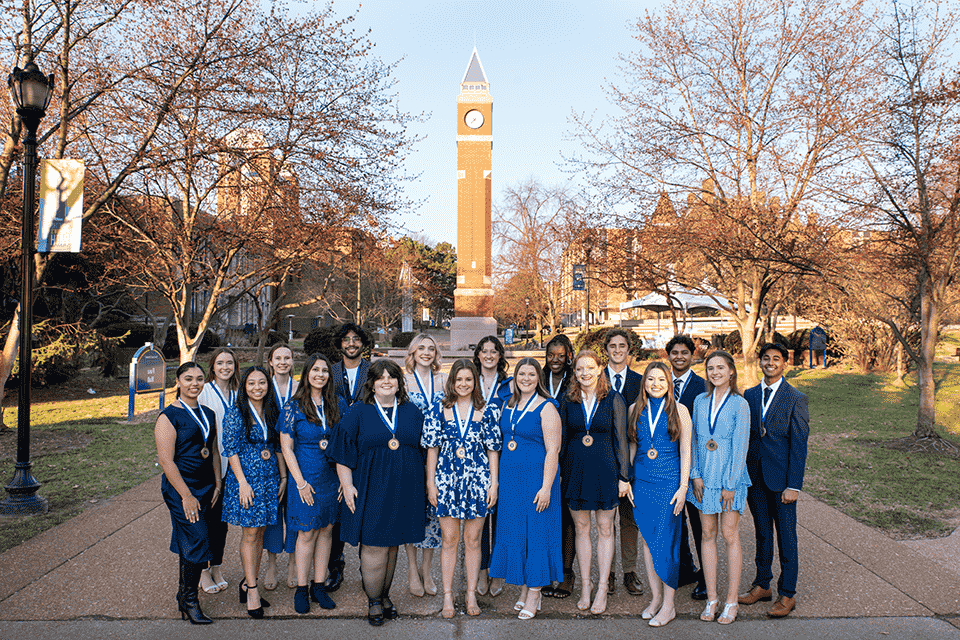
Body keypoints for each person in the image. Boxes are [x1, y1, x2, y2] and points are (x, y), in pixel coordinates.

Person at [331, 359, 427, 626]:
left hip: (404, 489)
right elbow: (342, 451)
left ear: (399, 382)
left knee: (392, 543)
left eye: (392, 377)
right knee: (374, 543)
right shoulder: (357, 412)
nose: (387, 381)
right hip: (370, 487)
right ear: (371, 384)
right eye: (381, 377)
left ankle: (384, 596)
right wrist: (347, 485)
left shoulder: (412, 412)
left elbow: (424, 449)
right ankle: (373, 600)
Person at [423, 359, 501, 618]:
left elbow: (492, 449)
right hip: (447, 479)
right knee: (449, 540)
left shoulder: (487, 410)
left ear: (475, 382)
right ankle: (448, 596)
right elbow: (432, 449)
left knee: (473, 540)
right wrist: (431, 482)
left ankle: (470, 594)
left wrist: (494, 482)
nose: (464, 384)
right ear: (452, 382)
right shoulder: (439, 409)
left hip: (478, 481)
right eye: (459, 380)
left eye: (469, 379)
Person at [739, 342, 809, 618]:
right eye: (766, 358)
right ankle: (762, 584)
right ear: (760, 362)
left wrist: (794, 485)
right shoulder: (750, 394)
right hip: (755, 477)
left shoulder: (795, 397)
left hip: (782, 482)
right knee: (762, 533)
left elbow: (799, 444)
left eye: (776, 359)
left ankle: (788, 593)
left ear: (784, 363)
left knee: (787, 536)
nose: (770, 363)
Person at [490, 358, 563, 620]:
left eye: (532, 374)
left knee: (538, 535)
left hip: (537, 481)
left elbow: (553, 450)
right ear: (515, 376)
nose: (526, 378)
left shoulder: (547, 407)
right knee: (519, 534)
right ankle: (524, 589)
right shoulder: (509, 404)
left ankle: (535, 593)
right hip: (511, 482)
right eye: (522, 373)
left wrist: (546, 488)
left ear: (538, 378)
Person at [558, 349, 631, 614]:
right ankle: (586, 585)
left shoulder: (613, 399)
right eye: (579, 369)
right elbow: (563, 440)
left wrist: (624, 477)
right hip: (576, 470)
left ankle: (602, 587)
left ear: (600, 369)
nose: (585, 373)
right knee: (581, 529)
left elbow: (621, 440)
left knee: (605, 528)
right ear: (574, 373)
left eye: (590, 368)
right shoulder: (569, 399)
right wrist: (561, 474)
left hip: (606, 471)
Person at [687, 350, 751, 625]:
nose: (715, 373)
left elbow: (741, 445)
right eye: (710, 368)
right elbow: (693, 439)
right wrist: (695, 474)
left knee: (729, 534)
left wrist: (730, 484)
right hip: (704, 478)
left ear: (731, 371)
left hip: (728, 480)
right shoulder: (699, 401)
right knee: (707, 533)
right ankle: (712, 598)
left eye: (720, 368)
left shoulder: (740, 404)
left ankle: (731, 600)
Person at [627, 361, 693, 628]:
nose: (656, 384)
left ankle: (669, 605)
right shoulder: (635, 409)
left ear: (669, 384)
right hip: (642, 482)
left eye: (661, 380)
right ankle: (655, 599)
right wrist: (627, 480)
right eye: (651, 379)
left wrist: (683, 487)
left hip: (668, 483)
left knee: (667, 543)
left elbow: (687, 451)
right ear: (644, 382)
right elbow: (632, 448)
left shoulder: (680, 410)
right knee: (647, 541)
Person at [280, 353, 346, 613]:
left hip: (330, 478)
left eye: (325, 371)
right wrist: (299, 482)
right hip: (304, 478)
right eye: (315, 370)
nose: (320, 375)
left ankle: (319, 585)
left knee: (327, 531)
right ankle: (301, 587)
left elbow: (344, 442)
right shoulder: (293, 406)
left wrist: (343, 478)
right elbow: (286, 447)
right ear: (306, 373)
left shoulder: (337, 403)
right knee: (306, 533)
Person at [156, 362, 220, 624]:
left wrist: (217, 483)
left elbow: (213, 450)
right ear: (178, 382)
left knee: (192, 541)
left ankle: (183, 597)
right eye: (188, 378)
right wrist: (186, 495)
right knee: (198, 539)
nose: (194, 383)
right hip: (182, 488)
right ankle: (191, 601)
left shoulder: (208, 413)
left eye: (199, 378)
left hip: (207, 487)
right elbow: (166, 461)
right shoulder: (168, 416)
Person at [221, 366, 285, 619]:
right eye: (251, 384)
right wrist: (242, 483)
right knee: (250, 534)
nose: (257, 388)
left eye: (262, 383)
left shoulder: (272, 411)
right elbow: (231, 449)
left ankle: (248, 582)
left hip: (269, 480)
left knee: (260, 533)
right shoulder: (236, 412)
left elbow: (278, 445)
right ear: (243, 386)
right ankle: (253, 590)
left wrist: (283, 476)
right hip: (246, 481)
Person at [327, 322, 372, 591]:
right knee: (338, 512)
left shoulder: (373, 371)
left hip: (366, 449)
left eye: (356, 339)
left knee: (365, 508)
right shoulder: (330, 372)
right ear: (340, 344)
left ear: (362, 343)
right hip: (336, 449)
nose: (351, 343)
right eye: (346, 340)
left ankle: (369, 569)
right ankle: (335, 565)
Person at [403, 333, 445, 597]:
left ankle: (427, 569)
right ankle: (410, 569)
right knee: (411, 512)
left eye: (431, 348)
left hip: (439, 456)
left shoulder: (444, 379)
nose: (427, 353)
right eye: (422, 348)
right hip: (410, 454)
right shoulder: (403, 381)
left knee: (434, 513)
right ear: (413, 352)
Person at [666, 334, 708, 600]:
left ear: (692, 355)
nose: (679, 356)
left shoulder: (704, 386)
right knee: (673, 520)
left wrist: (698, 472)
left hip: (694, 466)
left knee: (699, 524)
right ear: (667, 355)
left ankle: (706, 577)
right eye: (674, 352)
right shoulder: (659, 383)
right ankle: (684, 568)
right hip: (667, 464)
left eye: (684, 352)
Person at [603, 328, 644, 597]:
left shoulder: (640, 382)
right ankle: (608, 574)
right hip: (603, 460)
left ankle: (629, 571)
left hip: (633, 459)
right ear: (605, 349)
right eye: (613, 346)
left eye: (622, 346)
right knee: (605, 522)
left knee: (629, 521)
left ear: (629, 349)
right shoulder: (595, 378)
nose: (618, 350)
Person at [472, 335, 512, 597]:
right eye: (484, 351)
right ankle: (481, 571)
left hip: (504, 456)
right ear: (478, 355)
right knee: (478, 519)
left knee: (500, 519)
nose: (488, 355)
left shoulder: (509, 385)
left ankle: (497, 571)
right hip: (474, 456)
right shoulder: (469, 380)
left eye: (493, 351)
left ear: (500, 356)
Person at [197, 348, 239, 595]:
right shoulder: (204, 393)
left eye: (230, 363)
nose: (225, 367)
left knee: (221, 524)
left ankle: (217, 567)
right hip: (211, 466)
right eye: (220, 363)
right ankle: (202, 570)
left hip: (235, 466)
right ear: (212, 366)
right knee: (206, 520)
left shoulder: (238, 392)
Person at [541, 333, 577, 599]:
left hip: (570, 456)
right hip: (540, 456)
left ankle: (566, 573)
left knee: (567, 519)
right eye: (551, 355)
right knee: (544, 516)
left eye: (560, 355)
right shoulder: (539, 377)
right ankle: (544, 571)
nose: (555, 360)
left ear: (568, 356)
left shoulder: (575, 379)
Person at [263, 343, 298, 590]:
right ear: (271, 362)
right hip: (270, 459)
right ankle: (272, 564)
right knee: (273, 514)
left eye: (287, 357)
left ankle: (294, 563)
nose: (283, 362)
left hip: (297, 456)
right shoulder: (263, 387)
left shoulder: (300, 388)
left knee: (295, 513)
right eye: (278, 358)